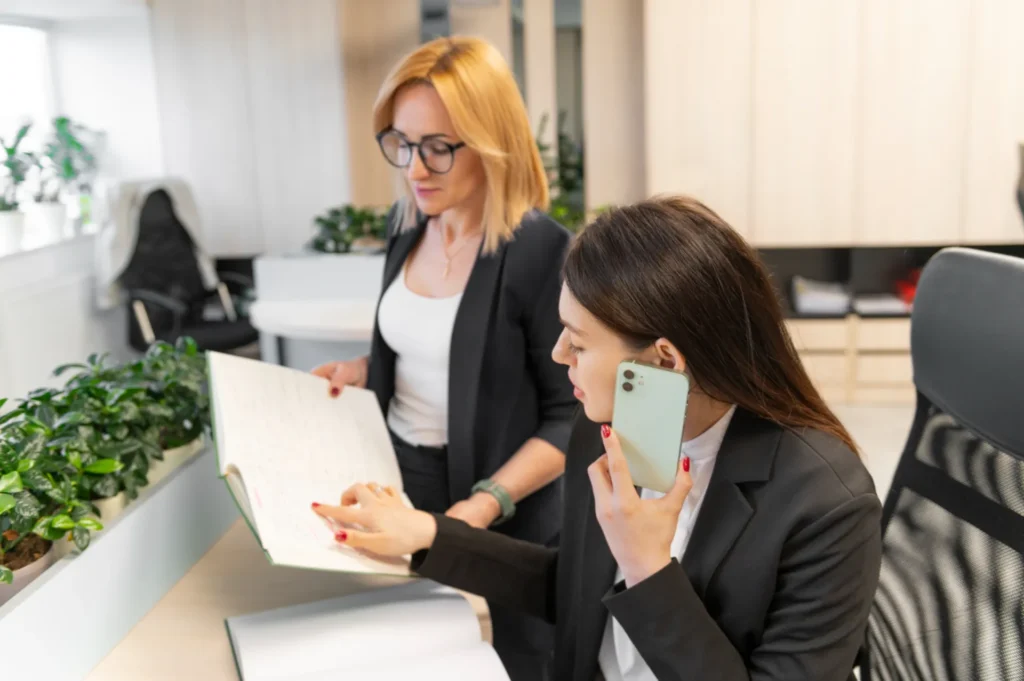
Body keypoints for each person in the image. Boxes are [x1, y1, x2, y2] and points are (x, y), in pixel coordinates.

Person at [312, 196, 884, 681]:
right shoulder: (611, 424)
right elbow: (574, 588)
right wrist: (427, 535)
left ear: (663, 360)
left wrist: (648, 570)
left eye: (578, 343)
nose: (560, 355)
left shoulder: (826, 508)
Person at [310, 37, 574, 680]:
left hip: (505, 499)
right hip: (405, 474)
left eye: (438, 147)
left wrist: (478, 510)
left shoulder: (540, 250)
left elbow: (571, 415)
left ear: (491, 140)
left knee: (522, 660)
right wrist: (364, 369)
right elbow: (441, 351)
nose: (415, 169)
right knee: (410, 653)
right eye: (401, 143)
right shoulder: (408, 231)